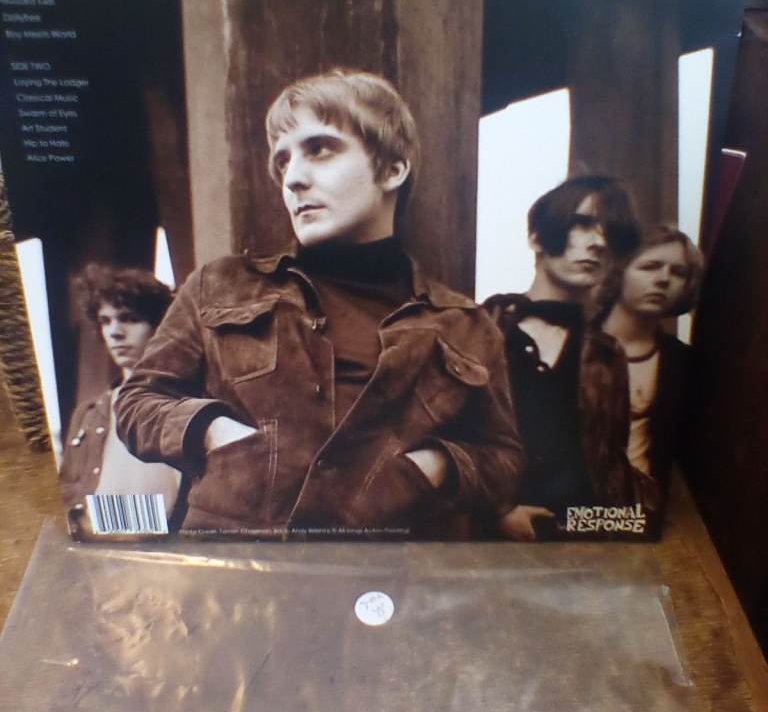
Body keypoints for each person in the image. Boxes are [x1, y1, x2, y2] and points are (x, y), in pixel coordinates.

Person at [116, 70, 522, 538]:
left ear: (392, 170)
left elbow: (505, 459)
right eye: (283, 161)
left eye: (320, 150)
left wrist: (434, 467)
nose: (293, 179)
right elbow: (137, 402)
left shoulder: (465, 325)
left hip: (395, 570)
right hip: (235, 568)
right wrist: (212, 430)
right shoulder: (221, 286)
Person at [485, 175, 640, 541]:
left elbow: (610, 464)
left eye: (610, 233)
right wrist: (498, 510)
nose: (599, 242)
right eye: (582, 224)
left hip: (581, 544)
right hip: (486, 541)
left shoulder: (607, 354)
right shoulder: (482, 329)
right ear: (536, 238)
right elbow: (449, 439)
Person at [59, 264, 179, 531]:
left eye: (129, 318)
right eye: (105, 321)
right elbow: (66, 497)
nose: (114, 332)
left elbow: (171, 512)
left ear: (160, 325)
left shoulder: (183, 403)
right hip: (94, 551)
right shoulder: (88, 414)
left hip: (159, 551)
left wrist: (94, 523)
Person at [601, 226, 703, 518]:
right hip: (572, 514)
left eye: (678, 272)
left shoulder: (684, 362)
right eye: (649, 266)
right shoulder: (572, 344)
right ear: (618, 271)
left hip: (644, 515)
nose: (663, 279)